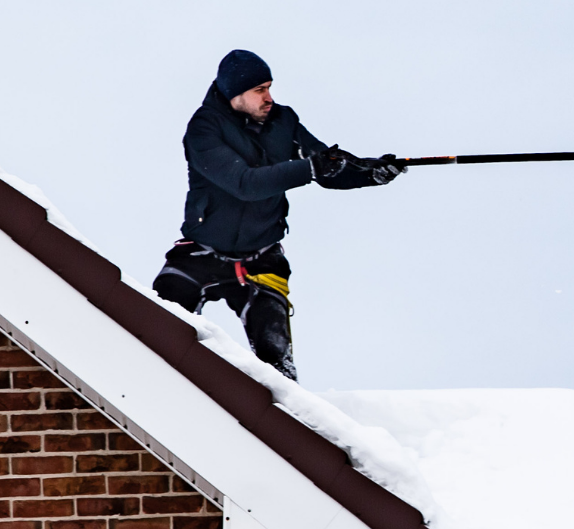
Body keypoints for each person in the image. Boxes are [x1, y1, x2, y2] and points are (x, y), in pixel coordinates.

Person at [152, 50, 404, 381]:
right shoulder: (204, 129)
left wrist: (369, 172)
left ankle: (285, 417)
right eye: (259, 91)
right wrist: (311, 168)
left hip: (262, 260)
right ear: (234, 94)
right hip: (199, 255)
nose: (268, 98)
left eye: (269, 88)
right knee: (152, 333)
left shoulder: (284, 121)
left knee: (279, 368)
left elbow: (326, 167)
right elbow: (244, 184)